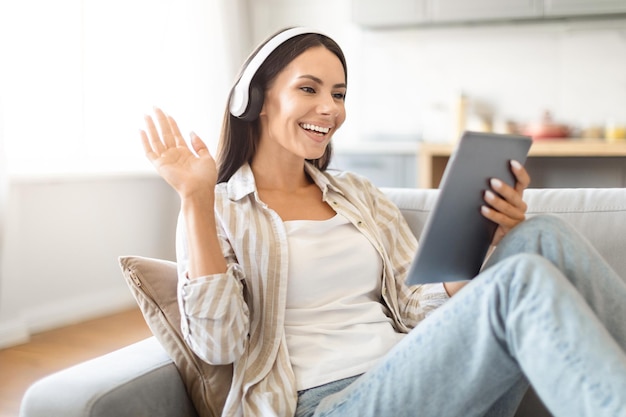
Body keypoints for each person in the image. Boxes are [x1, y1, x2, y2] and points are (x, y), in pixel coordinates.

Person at [140, 27, 626, 417]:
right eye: (308, 88)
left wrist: (485, 241)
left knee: (542, 235)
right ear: (257, 100)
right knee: (521, 280)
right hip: (327, 402)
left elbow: (416, 307)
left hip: (414, 374)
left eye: (339, 93)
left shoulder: (359, 195)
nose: (329, 108)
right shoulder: (215, 208)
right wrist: (195, 198)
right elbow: (218, 344)